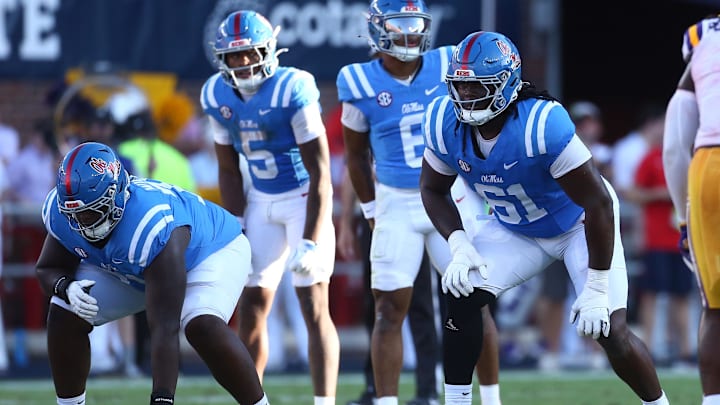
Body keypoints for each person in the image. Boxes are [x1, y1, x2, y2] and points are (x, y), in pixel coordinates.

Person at [420, 31, 669, 405]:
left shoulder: (541, 123)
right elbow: (432, 189)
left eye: (477, 86)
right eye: (461, 86)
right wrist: (458, 243)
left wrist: (597, 287)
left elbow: (598, 203)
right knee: (461, 293)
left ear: (506, 84)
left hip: (577, 227)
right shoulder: (443, 120)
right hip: (515, 229)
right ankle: (456, 401)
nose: (466, 96)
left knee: (610, 331)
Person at [337, 2, 500, 405]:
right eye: (400, 26)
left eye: (416, 25)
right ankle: (387, 400)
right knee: (389, 308)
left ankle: (492, 398)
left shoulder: (448, 61)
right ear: (377, 30)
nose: (410, 35)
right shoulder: (357, 80)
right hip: (395, 200)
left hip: (448, 194)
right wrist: (371, 211)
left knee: (473, 300)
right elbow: (356, 156)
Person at [34, 141, 268, 405]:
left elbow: (164, 328)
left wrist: (162, 399)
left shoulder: (151, 224)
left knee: (201, 325)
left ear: (116, 195)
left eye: (91, 212)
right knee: (64, 311)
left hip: (210, 251)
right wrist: (65, 287)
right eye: (74, 214)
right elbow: (48, 268)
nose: (81, 223)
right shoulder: (64, 213)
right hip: (136, 265)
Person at [201, 10, 339, 405]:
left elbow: (321, 172)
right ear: (222, 58)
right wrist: (238, 221)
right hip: (261, 199)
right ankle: (253, 398)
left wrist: (311, 239)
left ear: (269, 50)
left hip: (302, 198)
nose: (243, 62)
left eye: (250, 53)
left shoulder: (292, 88)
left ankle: (324, 401)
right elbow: (228, 169)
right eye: (234, 55)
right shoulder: (217, 95)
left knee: (313, 303)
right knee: (252, 305)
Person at [662, 14, 720, 404]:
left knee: (715, 306)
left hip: (710, 165)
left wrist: (684, 218)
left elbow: (674, 139)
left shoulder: (705, 34)